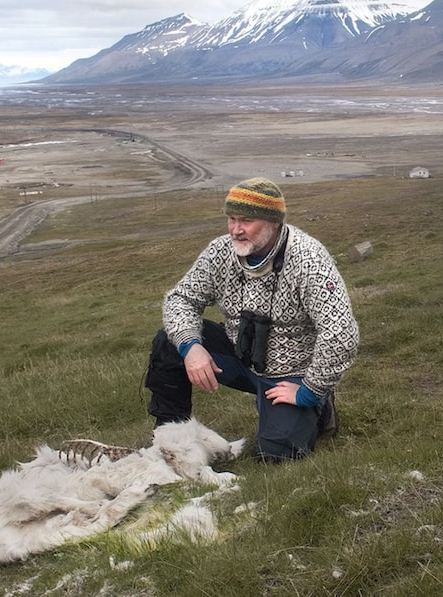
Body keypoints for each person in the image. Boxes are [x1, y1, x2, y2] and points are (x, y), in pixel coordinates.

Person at [144, 177, 359, 461]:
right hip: (241, 356)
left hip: (290, 374)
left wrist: (310, 390)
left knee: (276, 456)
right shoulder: (220, 252)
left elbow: (341, 332)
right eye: (231, 219)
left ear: (273, 222)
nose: (236, 229)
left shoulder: (308, 259)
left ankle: (320, 409)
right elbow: (181, 299)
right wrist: (191, 347)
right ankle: (171, 439)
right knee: (168, 343)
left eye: (246, 220)